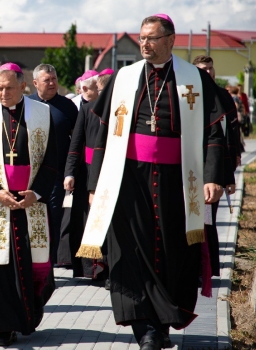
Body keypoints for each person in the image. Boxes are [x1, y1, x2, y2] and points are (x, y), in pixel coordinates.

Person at [77, 15, 225, 350]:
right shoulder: (124, 77)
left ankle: (161, 326)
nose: (144, 44)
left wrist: (214, 176)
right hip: (127, 179)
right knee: (128, 251)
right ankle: (144, 327)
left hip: (178, 181)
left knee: (173, 252)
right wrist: (94, 184)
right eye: (142, 38)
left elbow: (215, 132)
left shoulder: (194, 80)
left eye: (152, 38)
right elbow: (103, 135)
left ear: (171, 40)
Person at [0, 63, 57, 346]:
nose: (2, 93)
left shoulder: (42, 114)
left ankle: (28, 317)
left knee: (35, 266)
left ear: (23, 87)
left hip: (32, 201)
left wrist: (37, 192)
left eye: (8, 88)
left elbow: (53, 160)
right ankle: (4, 326)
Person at [61, 68, 113, 278]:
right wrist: (70, 173)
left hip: (112, 173)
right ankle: (92, 269)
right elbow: (75, 145)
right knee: (88, 222)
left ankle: (111, 268)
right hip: (88, 173)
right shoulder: (87, 109)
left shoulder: (122, 113)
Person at [193, 55, 240, 278]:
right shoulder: (187, 94)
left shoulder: (223, 96)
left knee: (206, 218)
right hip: (189, 165)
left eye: (210, 68)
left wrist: (229, 174)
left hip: (214, 167)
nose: (208, 72)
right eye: (202, 69)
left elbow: (230, 135)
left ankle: (205, 266)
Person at [28, 63, 78, 265]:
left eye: (54, 79)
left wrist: (71, 172)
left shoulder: (68, 107)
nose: (52, 83)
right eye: (47, 80)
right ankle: (34, 263)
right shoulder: (26, 104)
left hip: (57, 175)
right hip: (31, 174)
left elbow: (76, 141)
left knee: (54, 219)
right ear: (35, 83)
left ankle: (49, 264)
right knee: (33, 219)